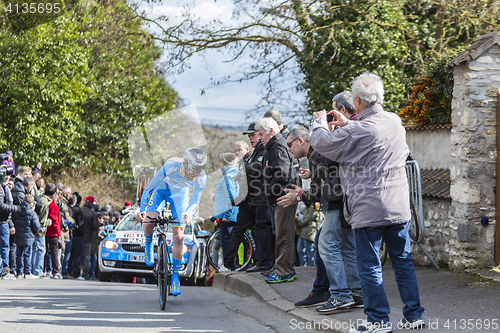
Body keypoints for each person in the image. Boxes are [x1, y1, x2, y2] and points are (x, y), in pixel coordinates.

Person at [309, 72, 425, 333]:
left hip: (368, 207)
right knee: (403, 261)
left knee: (370, 265)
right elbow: (368, 133)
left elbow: (321, 142)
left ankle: (378, 321)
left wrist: (318, 122)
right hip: (397, 206)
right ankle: (413, 315)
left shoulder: (357, 130)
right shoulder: (395, 122)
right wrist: (347, 122)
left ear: (358, 100)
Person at [279, 123, 362, 310]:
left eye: (290, 145)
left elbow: (318, 192)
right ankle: (358, 294)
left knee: (326, 245)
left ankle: (341, 295)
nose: (289, 150)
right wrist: (312, 177)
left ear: (301, 141)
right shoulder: (321, 151)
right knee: (348, 248)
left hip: (336, 204)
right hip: (348, 202)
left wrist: (299, 195)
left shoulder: (316, 154)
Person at [136, 147, 208, 296]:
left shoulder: (201, 177)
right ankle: (148, 243)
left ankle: (175, 276)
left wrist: (188, 213)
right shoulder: (170, 167)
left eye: (200, 170)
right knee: (149, 222)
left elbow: (195, 199)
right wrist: (142, 209)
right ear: (187, 164)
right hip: (161, 192)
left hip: (179, 197)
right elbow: (150, 188)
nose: (196, 174)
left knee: (178, 237)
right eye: (194, 170)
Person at [224, 122, 274, 272]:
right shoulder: (251, 154)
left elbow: (257, 169)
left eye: (253, 135)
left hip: (261, 201)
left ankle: (263, 262)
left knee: (261, 233)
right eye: (250, 136)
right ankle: (228, 264)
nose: (251, 138)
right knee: (238, 232)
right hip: (248, 201)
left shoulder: (264, 150)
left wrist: (243, 168)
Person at [256, 117, 301, 283]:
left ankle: (284, 271)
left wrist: (271, 194)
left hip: (284, 196)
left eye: (261, 134)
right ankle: (284, 267)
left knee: (283, 235)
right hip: (280, 196)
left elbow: (282, 173)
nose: (259, 137)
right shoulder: (273, 145)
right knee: (282, 233)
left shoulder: (277, 146)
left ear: (271, 131)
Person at [13, 194, 41, 279]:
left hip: (18, 236)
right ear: (31, 203)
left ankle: (19, 272)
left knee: (19, 254)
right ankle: (27, 272)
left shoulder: (17, 211)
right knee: (28, 254)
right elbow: (36, 226)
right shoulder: (32, 213)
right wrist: (34, 232)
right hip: (29, 237)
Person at [0, 171, 20, 279]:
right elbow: (2, 206)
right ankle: (5, 271)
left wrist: (11, 224)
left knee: (5, 247)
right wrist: (16, 208)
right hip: (2, 222)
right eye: (5, 175)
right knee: (4, 247)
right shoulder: (1, 188)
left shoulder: (4, 187)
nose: (7, 177)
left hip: (5, 221)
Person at [44, 183, 63, 279]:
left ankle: (44, 270)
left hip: (44, 231)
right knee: (54, 252)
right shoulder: (53, 205)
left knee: (45, 251)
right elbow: (55, 221)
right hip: (53, 232)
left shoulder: (43, 202)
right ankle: (56, 271)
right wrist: (58, 233)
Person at [80, 196, 99, 280]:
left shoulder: (79, 210)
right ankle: (85, 273)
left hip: (78, 236)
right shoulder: (92, 214)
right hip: (88, 238)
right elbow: (95, 227)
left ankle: (74, 272)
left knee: (76, 255)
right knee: (86, 256)